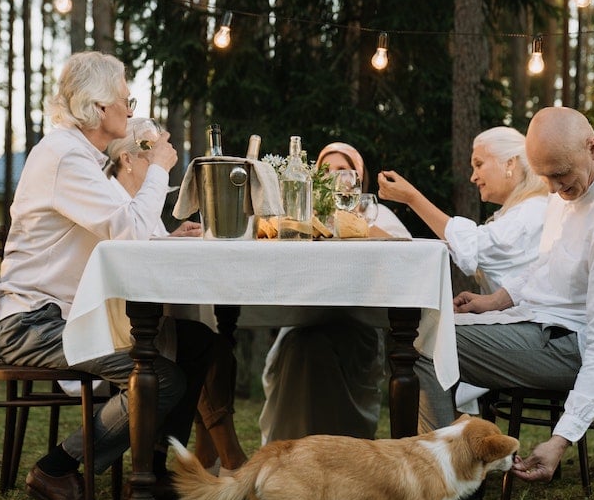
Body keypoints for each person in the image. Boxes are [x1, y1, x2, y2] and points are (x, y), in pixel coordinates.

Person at [413, 107, 594, 500]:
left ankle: (448, 496)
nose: (552, 189)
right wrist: (495, 300)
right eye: (544, 177)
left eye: (560, 176)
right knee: (433, 327)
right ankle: (453, 483)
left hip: (575, 347)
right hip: (545, 324)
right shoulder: (572, 180)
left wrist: (561, 438)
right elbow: (548, 265)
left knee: (429, 343)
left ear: (591, 146)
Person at [0, 52, 208, 500]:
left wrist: (168, 237)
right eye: (125, 99)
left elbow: (130, 230)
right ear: (97, 107)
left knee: (196, 343)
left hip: (69, 316)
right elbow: (125, 230)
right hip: (33, 323)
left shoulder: (85, 159)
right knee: (160, 377)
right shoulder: (64, 157)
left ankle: (149, 471)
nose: (131, 109)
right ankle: (57, 468)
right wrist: (160, 170)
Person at [105, 123, 248, 475]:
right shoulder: (112, 198)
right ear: (127, 157)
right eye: (151, 155)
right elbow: (125, 253)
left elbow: (141, 247)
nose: (160, 164)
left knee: (210, 345)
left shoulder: (138, 200)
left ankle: (190, 460)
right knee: (203, 345)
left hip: (138, 315)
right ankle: (205, 460)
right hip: (113, 320)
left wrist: (171, 236)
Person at [377, 127, 549, 414]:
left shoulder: (533, 211)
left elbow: (476, 246)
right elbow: (465, 246)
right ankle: (444, 442)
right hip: (517, 323)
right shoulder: (518, 211)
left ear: (510, 163)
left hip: (534, 333)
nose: (473, 176)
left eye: (479, 164)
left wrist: (412, 198)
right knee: (427, 331)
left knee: (429, 340)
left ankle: (437, 449)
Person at [258, 142, 411, 443]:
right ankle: (290, 453)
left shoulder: (377, 216)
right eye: (327, 170)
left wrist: (359, 228)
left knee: (321, 347)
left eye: (345, 170)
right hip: (303, 323)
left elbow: (406, 255)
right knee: (303, 346)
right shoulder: (298, 219)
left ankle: (342, 454)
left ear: (359, 179)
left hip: (360, 324)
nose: (336, 178)